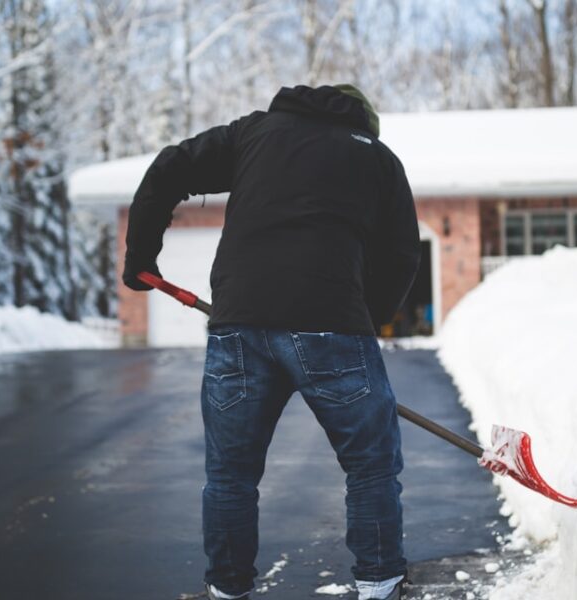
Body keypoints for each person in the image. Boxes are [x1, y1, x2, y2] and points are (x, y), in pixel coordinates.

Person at [123, 84, 421, 600]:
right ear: (364, 123)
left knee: (230, 474)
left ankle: (227, 589)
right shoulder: (377, 158)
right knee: (370, 464)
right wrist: (362, 322)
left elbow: (170, 166)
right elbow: (401, 256)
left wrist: (140, 255)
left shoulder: (254, 133)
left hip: (239, 323)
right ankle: (380, 583)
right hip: (331, 323)